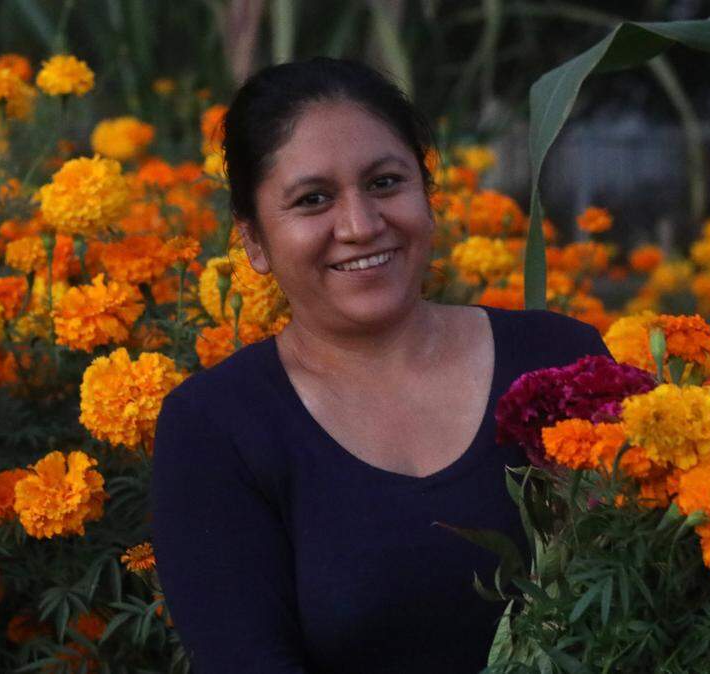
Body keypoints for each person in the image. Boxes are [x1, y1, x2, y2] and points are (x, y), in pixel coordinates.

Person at [151, 57, 611, 673]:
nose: (362, 225)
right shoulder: (217, 428)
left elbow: (661, 607)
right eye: (313, 199)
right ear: (254, 240)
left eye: (386, 182)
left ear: (427, 194)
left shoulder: (559, 364)